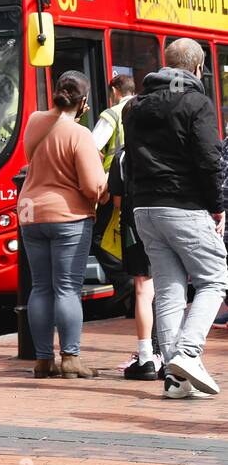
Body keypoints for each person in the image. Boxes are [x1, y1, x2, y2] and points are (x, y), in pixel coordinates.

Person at [126, 38, 227, 399]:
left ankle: (175, 379)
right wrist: (217, 205)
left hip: (145, 208)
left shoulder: (134, 107)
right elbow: (209, 159)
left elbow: (129, 162)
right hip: (183, 204)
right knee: (215, 279)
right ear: (199, 68)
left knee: (168, 289)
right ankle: (188, 352)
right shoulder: (198, 103)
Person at [16, 70, 108, 380]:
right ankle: (70, 358)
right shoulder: (80, 134)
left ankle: (43, 360)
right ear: (83, 103)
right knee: (67, 288)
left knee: (41, 286)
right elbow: (93, 187)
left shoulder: (33, 121)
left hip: (31, 213)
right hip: (68, 216)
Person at [108, 143, 160, 381]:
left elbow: (117, 201)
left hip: (134, 225)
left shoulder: (122, 154)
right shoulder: (166, 145)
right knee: (168, 286)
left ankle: (146, 355)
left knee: (142, 289)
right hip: (166, 221)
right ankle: (167, 355)